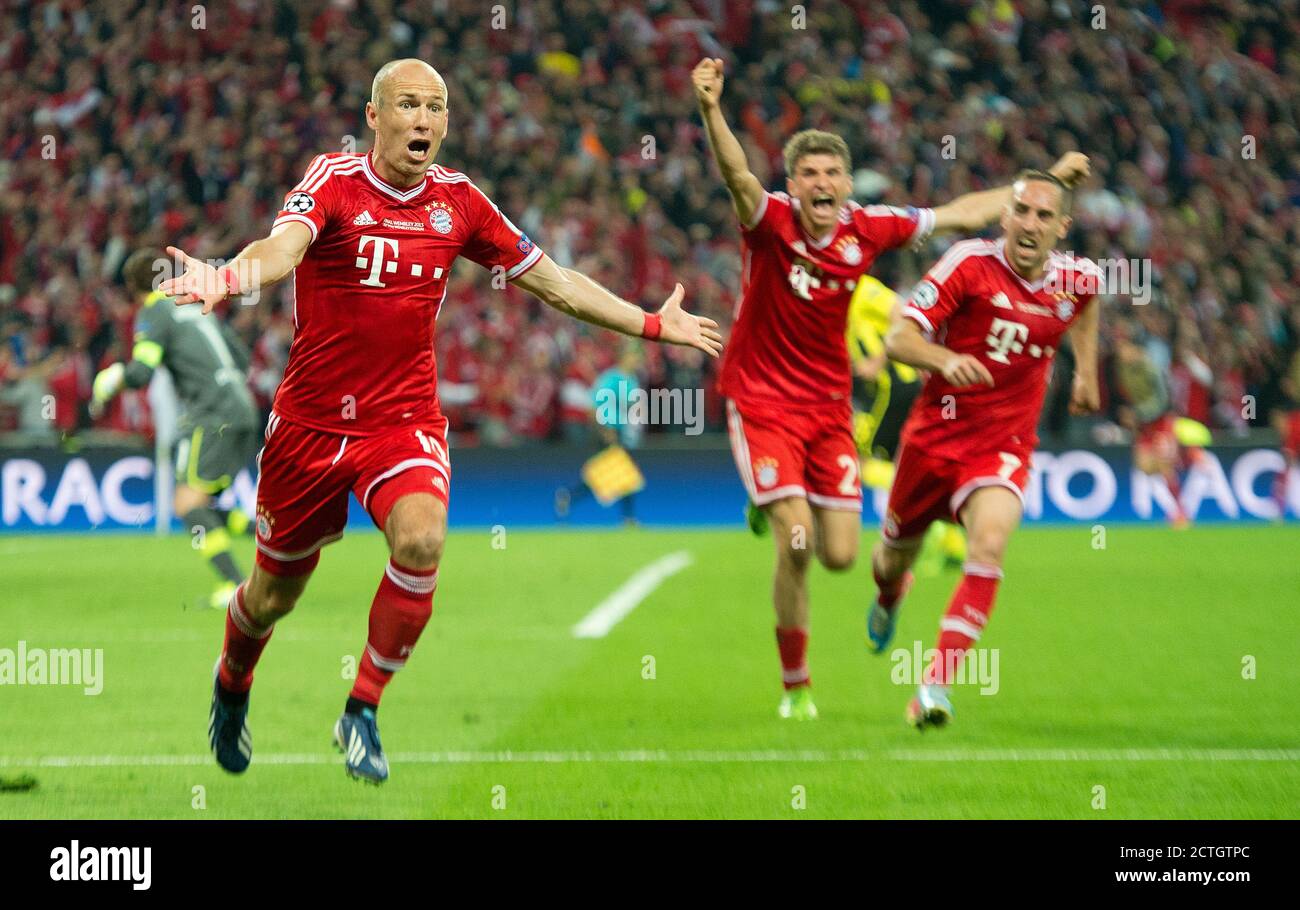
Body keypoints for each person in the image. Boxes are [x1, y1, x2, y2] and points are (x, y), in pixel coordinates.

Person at [162, 59, 722, 783]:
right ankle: (232, 683)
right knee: (272, 595)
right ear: (374, 118)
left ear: (448, 123)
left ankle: (361, 709)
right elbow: (281, 250)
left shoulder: (459, 203)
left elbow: (556, 283)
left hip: (403, 421)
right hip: (309, 427)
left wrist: (649, 322)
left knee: (422, 539)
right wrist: (227, 276)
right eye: (406, 105)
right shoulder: (332, 180)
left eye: (435, 107)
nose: (422, 119)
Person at [692, 56, 1088, 720]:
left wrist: (1040, 180)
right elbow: (736, 172)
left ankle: (774, 504)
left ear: (847, 184)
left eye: (832, 174)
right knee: (796, 540)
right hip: (762, 402)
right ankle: (797, 687)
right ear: (793, 184)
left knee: (843, 556)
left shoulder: (867, 228)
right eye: (809, 174)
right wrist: (710, 109)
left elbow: (962, 214)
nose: (822, 184)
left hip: (826, 408)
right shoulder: (770, 220)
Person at [867, 171, 1101, 729]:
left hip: (1003, 445)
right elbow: (899, 337)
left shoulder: (1077, 278)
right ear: (1005, 216)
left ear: (1061, 228)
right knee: (890, 560)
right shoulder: (967, 264)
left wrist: (1086, 372)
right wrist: (945, 361)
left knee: (990, 543)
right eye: (1022, 211)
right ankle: (889, 596)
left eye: (1045, 216)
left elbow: (1086, 305)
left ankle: (934, 688)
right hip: (932, 442)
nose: (1031, 224)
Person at [92, 248, 259, 608]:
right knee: (205, 506)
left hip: (213, 415)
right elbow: (242, 359)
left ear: (133, 287)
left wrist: (113, 378)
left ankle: (233, 583)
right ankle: (274, 535)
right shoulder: (194, 304)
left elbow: (141, 372)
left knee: (186, 504)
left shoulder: (155, 310)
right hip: (243, 410)